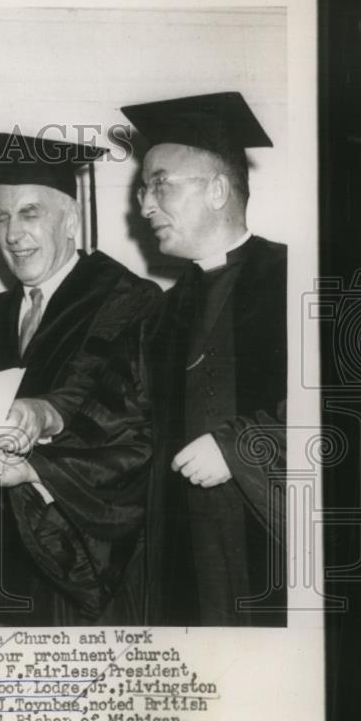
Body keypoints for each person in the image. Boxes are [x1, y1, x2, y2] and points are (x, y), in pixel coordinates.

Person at [0, 132, 160, 626]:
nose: (11, 234)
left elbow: (123, 427)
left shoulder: (125, 299)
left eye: (29, 213)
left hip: (79, 572)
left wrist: (41, 438)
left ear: (71, 219)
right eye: (1, 217)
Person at [121, 91, 286, 626]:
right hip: (183, 559)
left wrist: (241, 448)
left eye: (160, 184)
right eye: (144, 189)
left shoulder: (302, 282)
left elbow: (350, 411)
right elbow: (126, 429)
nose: (144, 204)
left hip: (272, 549)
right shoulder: (161, 314)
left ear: (217, 190)